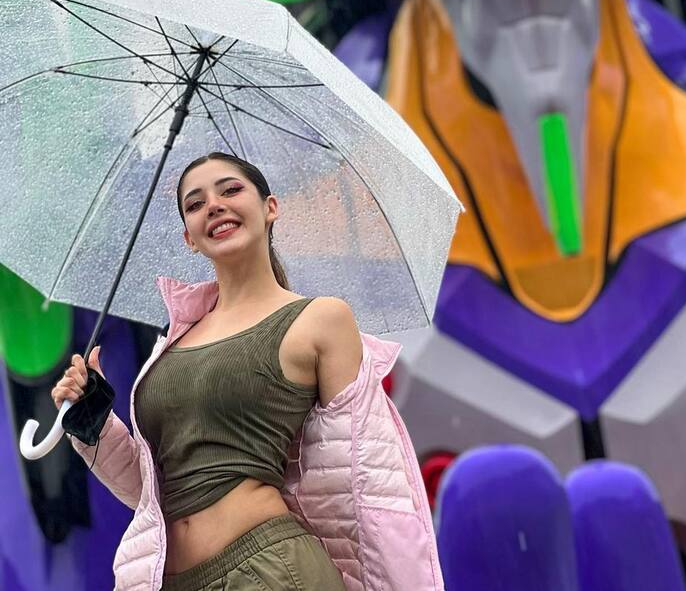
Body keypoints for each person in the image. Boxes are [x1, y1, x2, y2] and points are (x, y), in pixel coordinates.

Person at [53, 151, 443, 591]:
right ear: (189, 237)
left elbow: (365, 481)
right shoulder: (174, 340)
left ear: (270, 207)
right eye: (195, 203)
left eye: (231, 190)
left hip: (271, 571)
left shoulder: (319, 320)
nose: (214, 206)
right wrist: (94, 423)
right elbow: (152, 494)